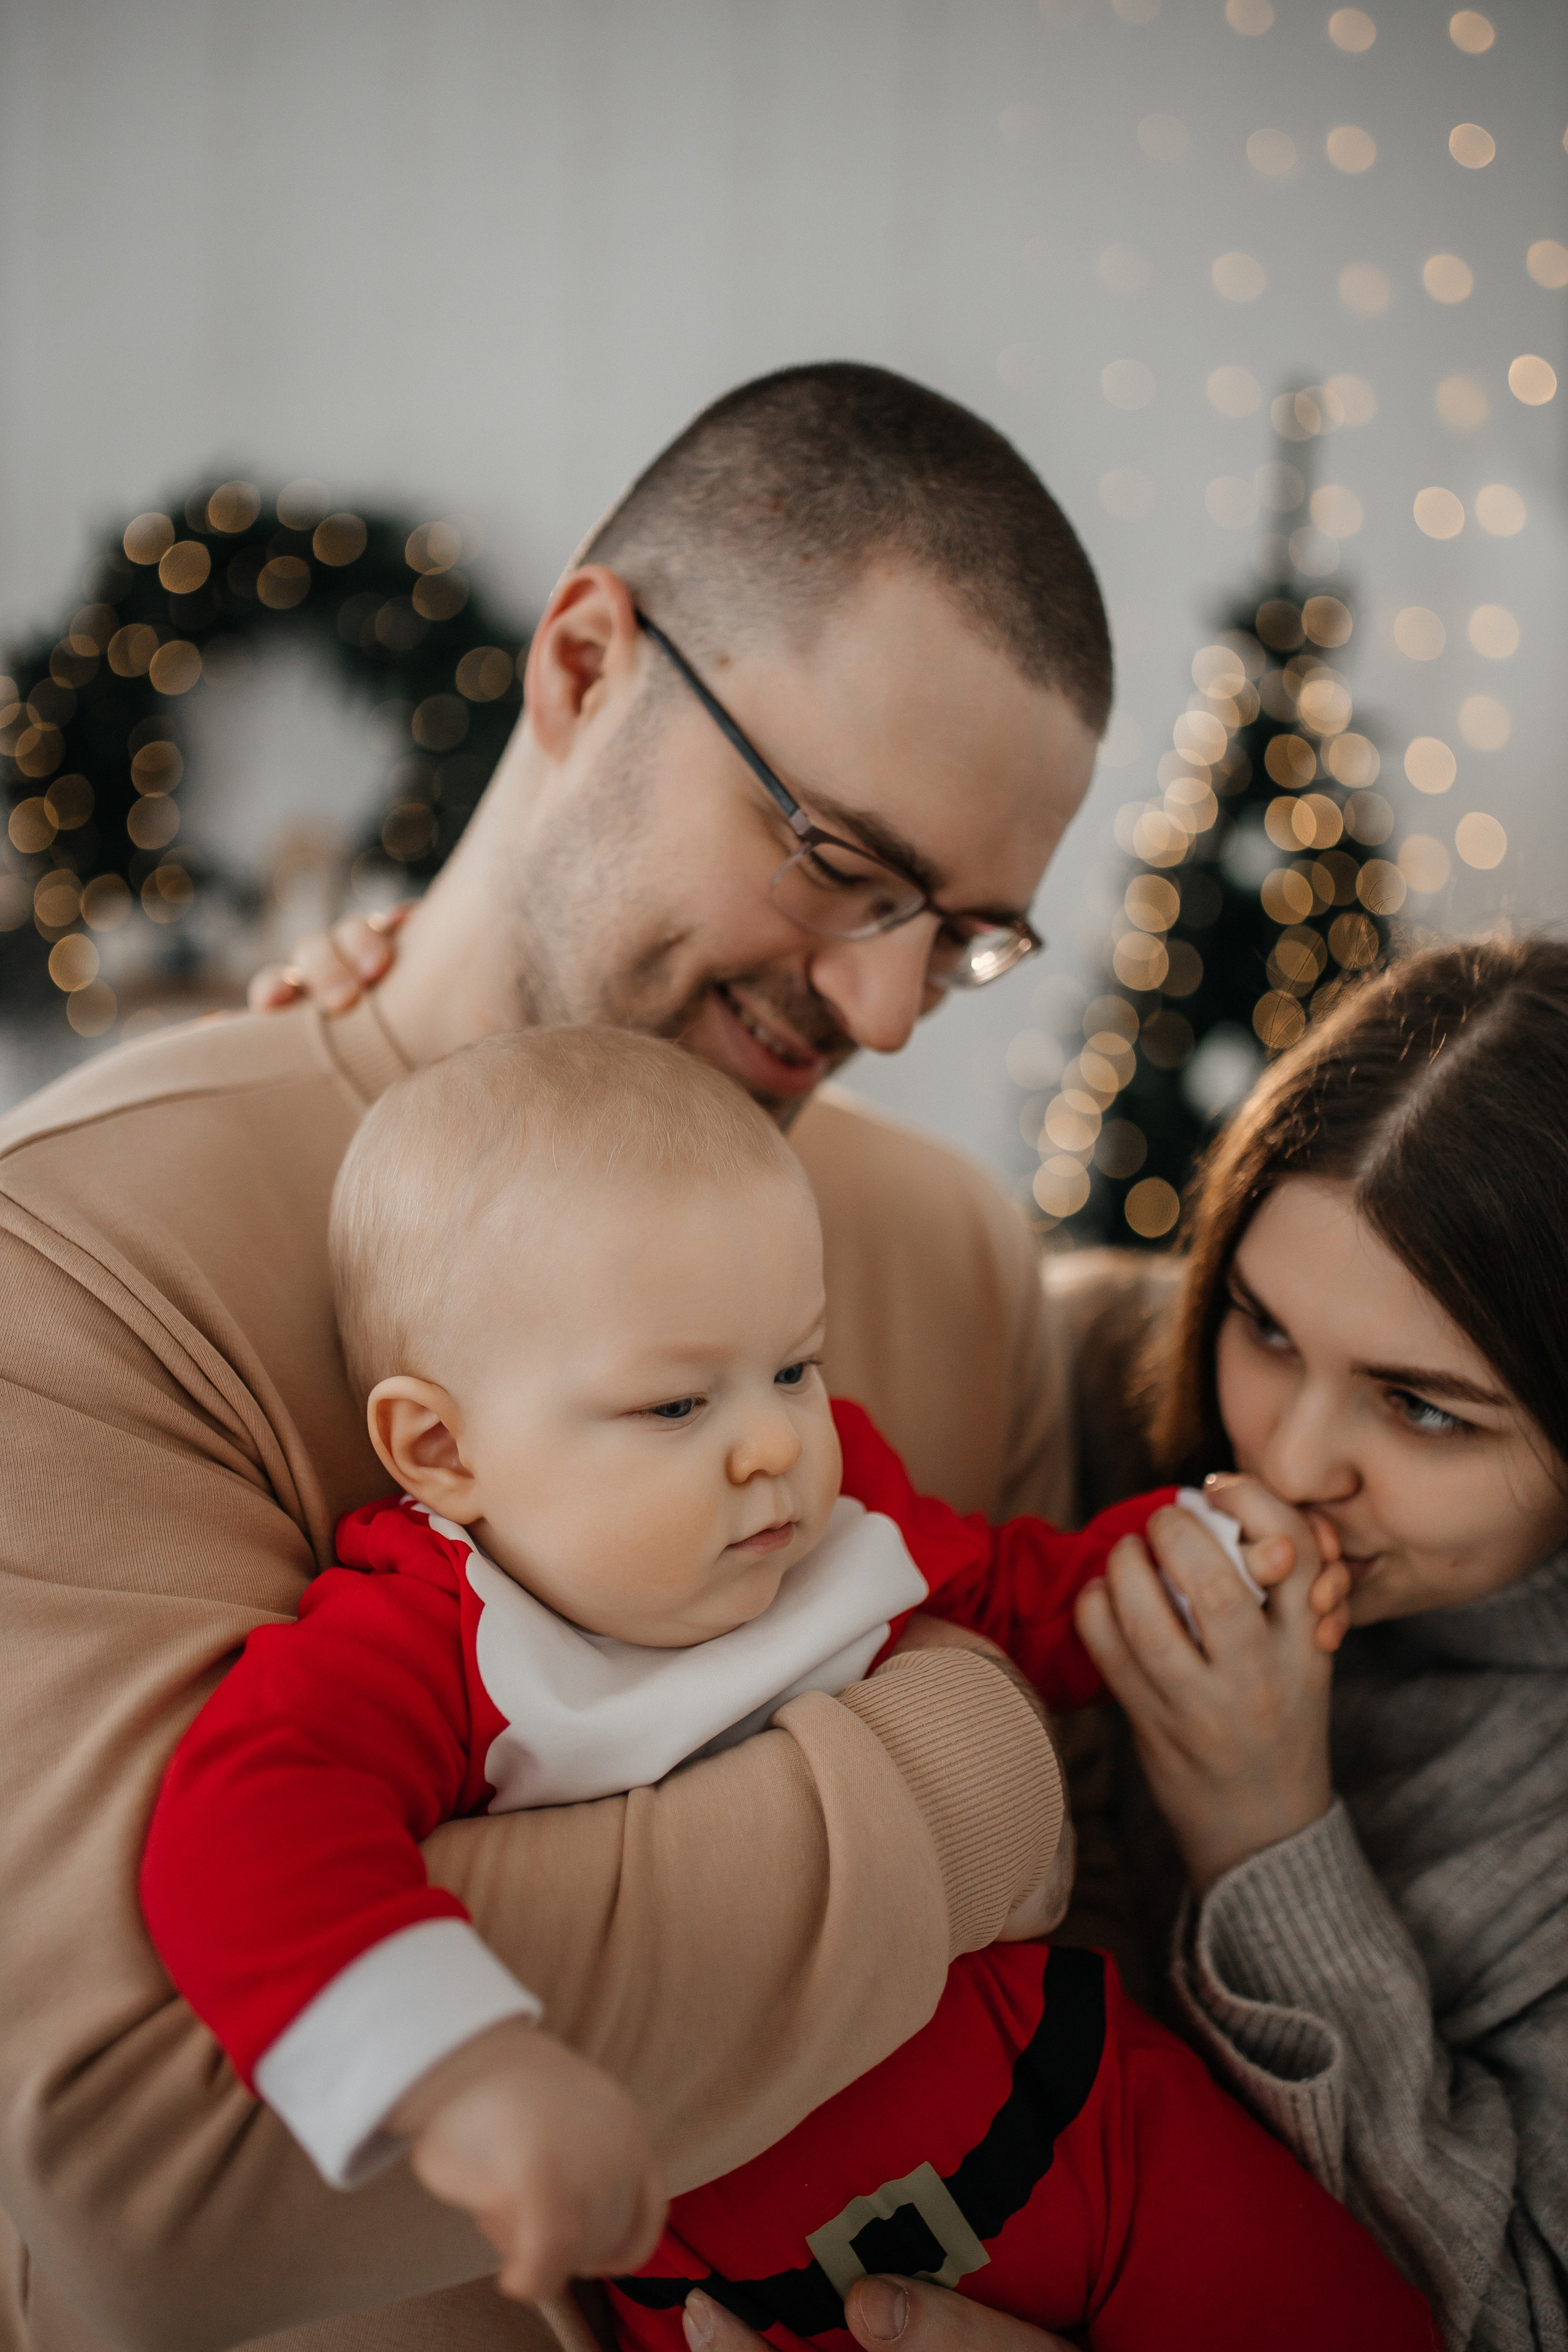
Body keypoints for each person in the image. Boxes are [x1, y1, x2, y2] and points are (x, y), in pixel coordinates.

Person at [0, 363, 1169, 2352]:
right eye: (838, 859)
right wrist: (962, 1775)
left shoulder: (953, 1254)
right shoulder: (83, 1248)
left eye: (964, 936)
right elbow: (154, 2176)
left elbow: (1086, 1967)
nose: (892, 1011)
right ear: (582, 667)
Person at [139, 1028, 1433, 2352]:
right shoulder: (431, 1637)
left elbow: (1015, 1599)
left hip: (1089, 2128)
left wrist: (1187, 1564)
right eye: (674, 1407)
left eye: (792, 1368)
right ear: (442, 1448)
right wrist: (456, 2070)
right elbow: (248, 1821)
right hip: (752, 2297)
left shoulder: (839, 1501)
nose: (772, 1442)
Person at [1071, 937, 1568, 2350]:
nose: (1287, 1462)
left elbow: (1511, 2316)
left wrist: (1262, 1833)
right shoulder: (1103, 1395)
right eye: (1265, 1330)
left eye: (1420, 1409)